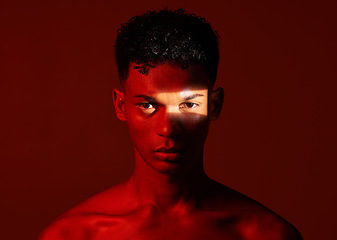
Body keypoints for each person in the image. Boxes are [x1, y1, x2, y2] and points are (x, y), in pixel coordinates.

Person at [39, 8, 302, 240]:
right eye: (148, 106)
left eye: (188, 105)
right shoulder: (72, 236)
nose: (168, 129)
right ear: (121, 106)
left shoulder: (266, 234)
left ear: (214, 105)